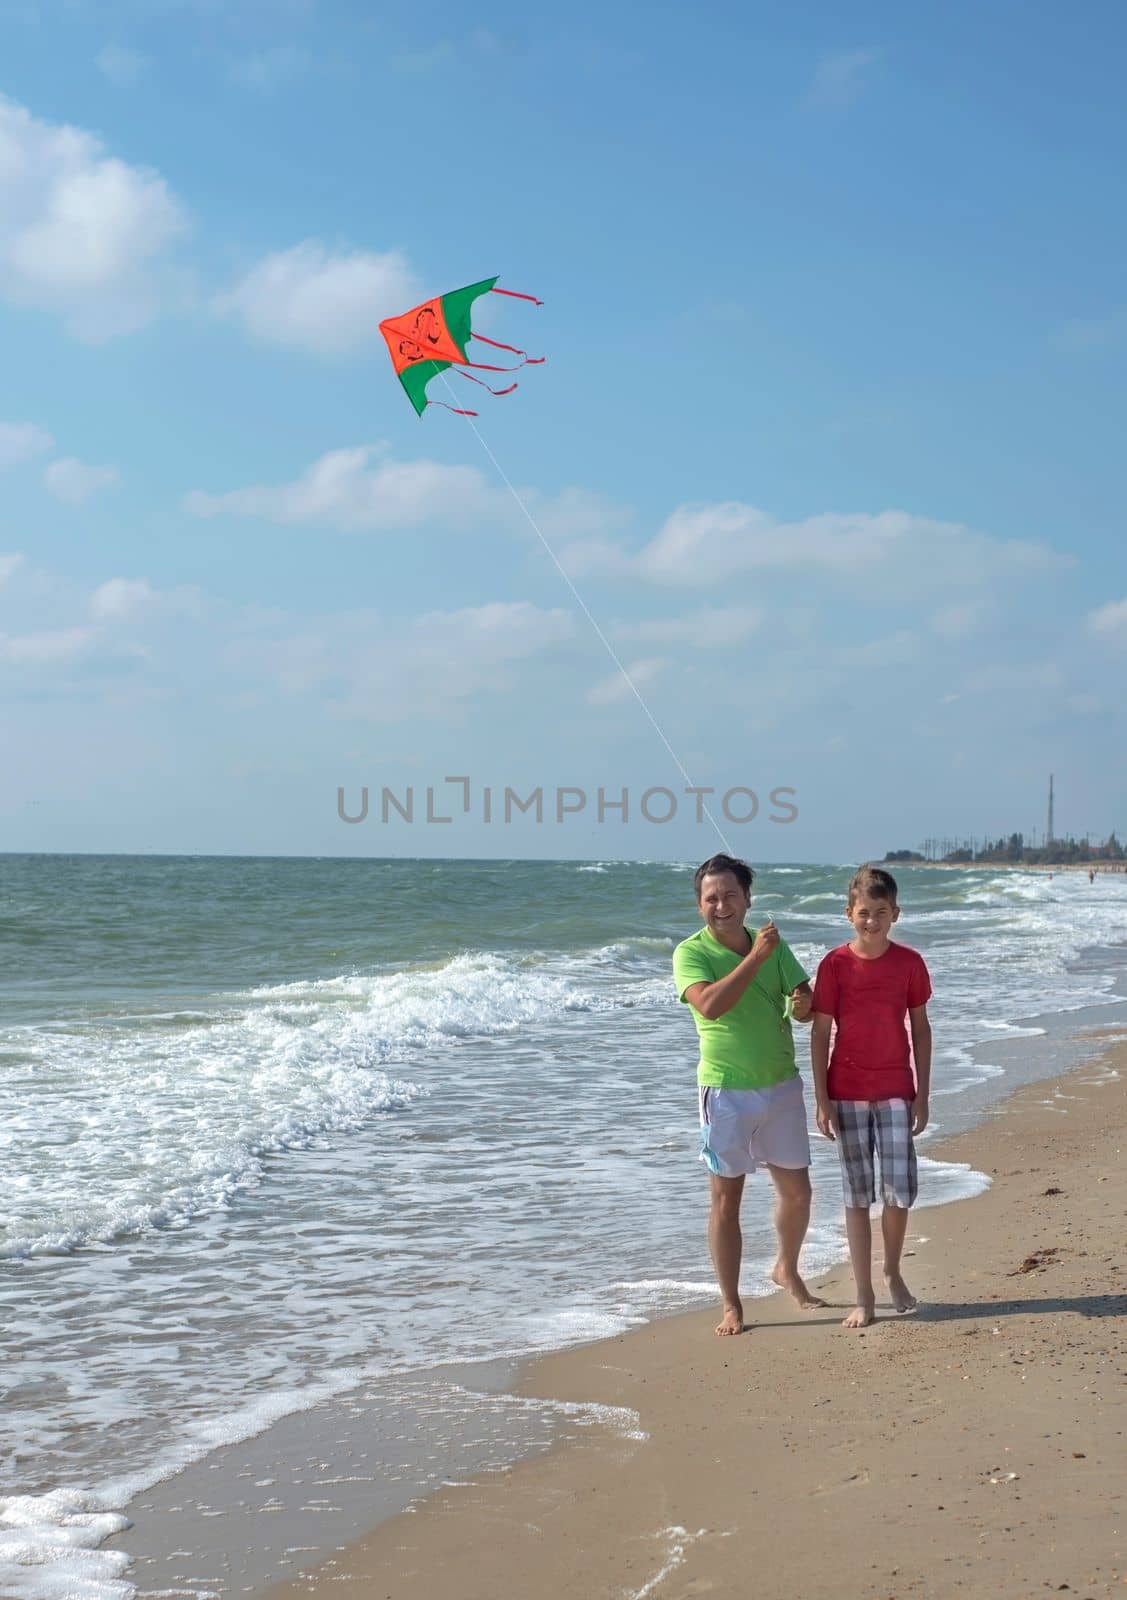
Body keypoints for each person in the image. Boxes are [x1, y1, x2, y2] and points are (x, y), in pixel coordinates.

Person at [673, 853, 824, 1336]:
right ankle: (732, 1304)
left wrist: (803, 1002)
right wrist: (757, 957)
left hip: (780, 1084)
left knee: (798, 1194)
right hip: (725, 1091)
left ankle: (786, 1268)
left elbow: (804, 1006)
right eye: (711, 898)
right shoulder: (690, 953)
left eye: (730, 895)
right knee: (726, 1201)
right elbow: (711, 1006)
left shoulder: (773, 946)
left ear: (747, 899)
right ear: (699, 905)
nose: (722, 905)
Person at [810, 865, 932, 1330]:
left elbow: (920, 1030)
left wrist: (922, 1095)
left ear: (895, 913)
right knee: (857, 1196)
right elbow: (820, 1034)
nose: (872, 921)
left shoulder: (910, 964)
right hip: (847, 1093)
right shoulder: (835, 965)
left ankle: (892, 1270)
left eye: (881, 912)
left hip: (898, 1090)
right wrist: (822, 1100)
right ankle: (864, 1294)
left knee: (899, 1192)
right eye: (864, 913)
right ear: (849, 914)